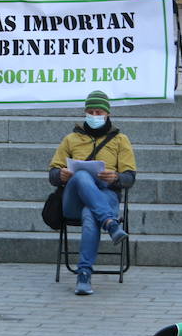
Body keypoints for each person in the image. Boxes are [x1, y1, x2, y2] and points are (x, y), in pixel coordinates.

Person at [47, 90, 136, 296]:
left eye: (99, 112)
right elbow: (52, 174)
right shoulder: (71, 139)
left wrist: (115, 178)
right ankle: (110, 224)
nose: (94, 115)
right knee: (81, 177)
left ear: (107, 114)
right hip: (73, 200)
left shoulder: (120, 140)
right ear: (85, 113)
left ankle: (84, 275)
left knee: (90, 214)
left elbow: (130, 177)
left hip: (106, 195)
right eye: (91, 111)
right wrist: (60, 175)